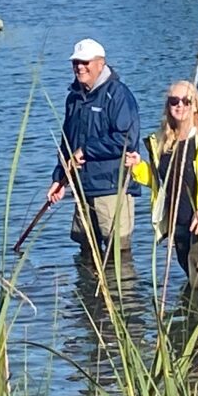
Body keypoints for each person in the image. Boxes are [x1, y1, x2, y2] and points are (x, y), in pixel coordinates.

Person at [130, 80, 198, 295]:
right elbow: (161, 181)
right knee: (194, 281)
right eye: (174, 101)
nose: (180, 106)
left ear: (196, 104)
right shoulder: (163, 140)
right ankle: (197, 325)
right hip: (178, 225)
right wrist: (137, 167)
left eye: (186, 101)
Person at [47, 39, 142, 258]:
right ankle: (89, 292)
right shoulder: (73, 98)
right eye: (76, 62)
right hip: (83, 189)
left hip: (112, 189)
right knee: (86, 252)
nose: (80, 67)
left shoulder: (118, 95)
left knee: (117, 256)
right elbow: (67, 142)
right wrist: (59, 179)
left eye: (85, 62)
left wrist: (86, 151)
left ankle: (120, 293)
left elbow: (125, 140)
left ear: (100, 63)